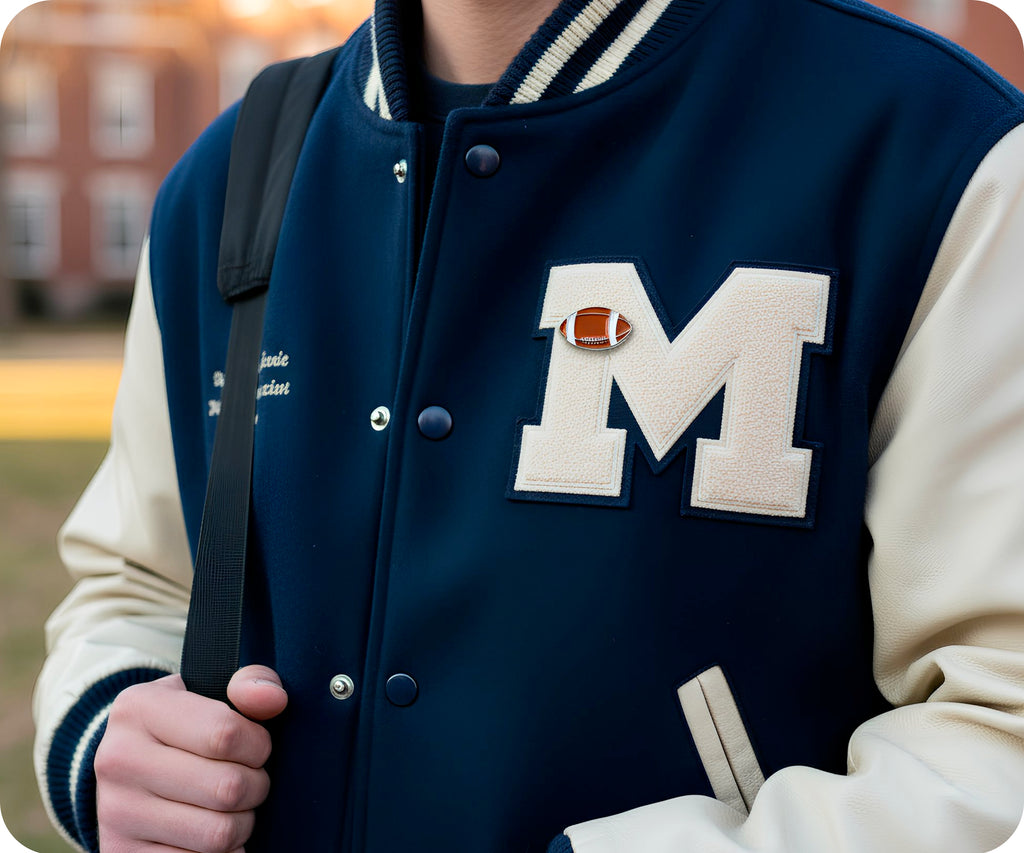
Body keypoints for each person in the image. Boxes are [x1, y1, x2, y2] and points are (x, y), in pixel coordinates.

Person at [32, 0, 1024, 850]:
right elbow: (137, 584)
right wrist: (114, 743)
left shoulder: (933, 146)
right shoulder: (229, 176)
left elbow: (997, 723)